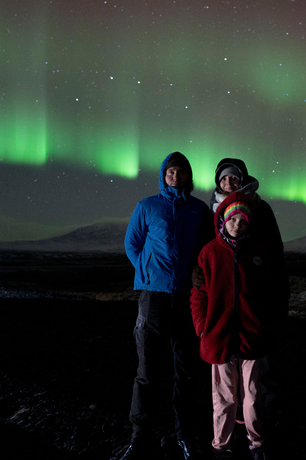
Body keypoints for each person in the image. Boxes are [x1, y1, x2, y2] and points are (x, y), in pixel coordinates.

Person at [119, 152, 214, 460]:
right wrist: (145, 271)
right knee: (147, 370)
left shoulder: (199, 210)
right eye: (171, 171)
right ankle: (140, 436)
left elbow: (208, 247)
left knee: (185, 371)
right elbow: (132, 243)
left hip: (186, 297)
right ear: (164, 175)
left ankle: (183, 434)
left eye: (181, 172)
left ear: (188, 176)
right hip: (153, 297)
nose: (176, 176)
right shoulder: (147, 206)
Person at [190, 192, 287, 460]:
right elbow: (199, 294)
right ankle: (221, 446)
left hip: (252, 336)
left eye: (242, 220)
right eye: (232, 219)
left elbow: (269, 291)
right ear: (223, 220)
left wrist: (266, 324)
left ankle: (257, 443)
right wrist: (202, 328)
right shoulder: (209, 253)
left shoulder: (259, 252)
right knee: (223, 398)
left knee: (253, 395)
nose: (237, 224)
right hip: (219, 336)